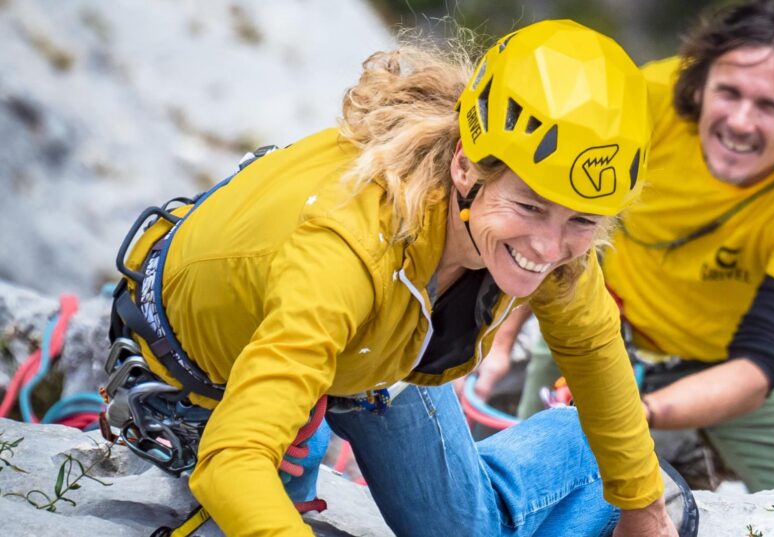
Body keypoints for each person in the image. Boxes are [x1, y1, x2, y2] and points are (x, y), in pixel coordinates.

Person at [101, 20, 679, 537]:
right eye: (529, 208)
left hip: (375, 346)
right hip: (215, 367)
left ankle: (580, 451)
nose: (550, 248)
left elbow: (590, 342)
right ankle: (312, 420)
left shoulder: (543, 208)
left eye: (581, 220)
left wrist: (643, 506)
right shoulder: (349, 251)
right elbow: (233, 458)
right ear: (464, 167)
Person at [475, 1, 774, 499]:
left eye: (770, 107)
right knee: (533, 491)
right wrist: (502, 339)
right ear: (699, 83)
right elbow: (540, 224)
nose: (742, 122)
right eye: (729, 92)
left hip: (723, 361)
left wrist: (633, 413)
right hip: (600, 331)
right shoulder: (643, 103)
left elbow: (759, 367)